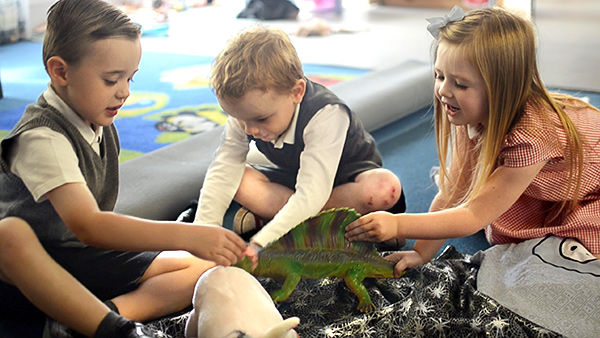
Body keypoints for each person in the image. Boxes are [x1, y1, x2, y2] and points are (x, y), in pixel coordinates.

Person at [0, 0, 248, 336]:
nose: (125, 93)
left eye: (130, 79)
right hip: (27, 274)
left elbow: (87, 239)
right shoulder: (42, 138)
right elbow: (88, 225)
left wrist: (194, 245)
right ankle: (114, 330)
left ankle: (81, 320)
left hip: (77, 258)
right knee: (8, 235)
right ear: (60, 72)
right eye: (111, 79)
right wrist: (187, 235)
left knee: (204, 268)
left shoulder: (98, 120)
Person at [345, 6, 600, 277]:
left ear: (501, 88)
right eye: (439, 76)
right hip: (548, 180)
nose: (443, 90)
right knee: (492, 212)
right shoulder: (468, 111)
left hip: (591, 191)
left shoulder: (532, 137)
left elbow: (473, 216)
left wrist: (398, 226)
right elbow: (453, 190)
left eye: (460, 84)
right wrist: (421, 251)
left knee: (557, 256)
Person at [194, 25, 406, 254]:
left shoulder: (326, 114)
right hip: (297, 184)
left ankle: (282, 221)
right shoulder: (247, 115)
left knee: (384, 188)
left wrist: (263, 241)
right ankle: (333, 230)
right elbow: (224, 168)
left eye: (262, 119)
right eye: (238, 119)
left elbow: (312, 193)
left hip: (344, 185)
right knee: (236, 177)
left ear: (297, 92)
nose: (250, 129)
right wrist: (200, 233)